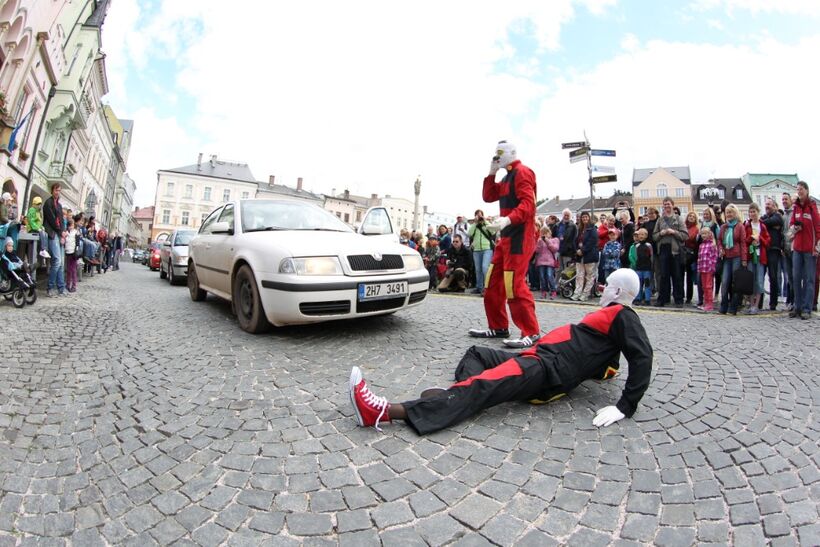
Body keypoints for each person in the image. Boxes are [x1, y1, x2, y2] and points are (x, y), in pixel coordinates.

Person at [348, 269, 653, 434]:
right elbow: (608, 365)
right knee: (476, 354)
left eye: (606, 286)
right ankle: (454, 395)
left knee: (482, 386)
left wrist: (626, 405)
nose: (602, 290)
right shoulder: (612, 322)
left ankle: (382, 412)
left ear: (617, 292)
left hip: (546, 367)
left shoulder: (624, 315)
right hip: (537, 356)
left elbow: (642, 356)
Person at [468, 141, 540, 348]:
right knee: (492, 283)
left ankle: (531, 332)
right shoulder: (508, 176)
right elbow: (489, 196)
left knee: (514, 285)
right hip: (506, 238)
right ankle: (499, 326)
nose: (496, 157)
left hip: (519, 238)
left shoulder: (523, 173)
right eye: (495, 153)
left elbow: (529, 204)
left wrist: (508, 219)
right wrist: (491, 173)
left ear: (511, 153)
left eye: (499, 153)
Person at [787, 181, 820, 319]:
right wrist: (795, 228)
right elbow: (791, 225)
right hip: (797, 249)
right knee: (796, 278)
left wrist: (817, 247)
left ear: (806, 190)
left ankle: (807, 308)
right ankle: (797, 306)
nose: (799, 191)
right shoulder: (796, 207)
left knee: (809, 279)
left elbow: (818, 229)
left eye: (801, 189)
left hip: (809, 249)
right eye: (797, 189)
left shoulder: (812, 207)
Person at [652, 198, 687, 307]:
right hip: (663, 249)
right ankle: (663, 299)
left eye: (668, 204)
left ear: (672, 205)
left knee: (676, 275)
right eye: (664, 204)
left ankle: (678, 300)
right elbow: (654, 236)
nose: (666, 206)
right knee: (663, 276)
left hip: (675, 250)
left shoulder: (678, 219)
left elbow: (685, 235)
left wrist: (674, 232)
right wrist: (661, 233)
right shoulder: (660, 220)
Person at [717, 204, 748, 315]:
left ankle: (734, 306)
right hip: (726, 257)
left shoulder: (740, 226)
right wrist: (720, 249)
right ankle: (724, 304)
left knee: (735, 282)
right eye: (727, 213)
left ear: (735, 214)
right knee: (725, 281)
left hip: (737, 256)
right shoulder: (724, 227)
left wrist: (744, 259)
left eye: (731, 212)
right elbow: (719, 240)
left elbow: (743, 243)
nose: (729, 214)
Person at [744, 203, 770, 315]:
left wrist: (760, 239)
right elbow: (744, 240)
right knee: (750, 280)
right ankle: (750, 304)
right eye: (750, 212)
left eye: (754, 211)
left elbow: (768, 240)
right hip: (750, 255)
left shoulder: (762, 226)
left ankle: (756, 305)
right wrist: (751, 239)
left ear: (758, 212)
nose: (752, 214)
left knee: (759, 280)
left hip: (760, 256)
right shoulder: (747, 225)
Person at [42, 182, 67, 296]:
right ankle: (50, 287)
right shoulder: (48, 203)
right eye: (56, 190)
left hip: (59, 234)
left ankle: (61, 288)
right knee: (56, 261)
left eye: (59, 190)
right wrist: (60, 232)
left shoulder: (59, 205)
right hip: (52, 233)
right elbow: (52, 220)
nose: (58, 192)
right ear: (52, 190)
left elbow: (61, 220)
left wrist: (63, 233)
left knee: (61, 263)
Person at [760, 198, 783, 311]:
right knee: (761, 275)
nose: (767, 206)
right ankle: (759, 301)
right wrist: (767, 224)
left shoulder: (778, 216)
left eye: (769, 204)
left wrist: (765, 224)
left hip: (773, 250)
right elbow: (760, 223)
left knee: (773, 276)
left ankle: (773, 302)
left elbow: (775, 221)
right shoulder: (764, 217)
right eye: (766, 204)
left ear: (774, 206)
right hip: (764, 250)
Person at [572, 211, 599, 302]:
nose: (584, 219)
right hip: (580, 257)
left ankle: (585, 294)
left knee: (589, 276)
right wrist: (576, 250)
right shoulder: (579, 229)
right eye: (583, 217)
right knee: (579, 275)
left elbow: (592, 242)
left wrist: (582, 250)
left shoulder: (592, 229)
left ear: (589, 218)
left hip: (589, 256)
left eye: (586, 217)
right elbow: (575, 241)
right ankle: (577, 293)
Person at [467, 209, 494, 295]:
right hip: (477, 249)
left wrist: (485, 221)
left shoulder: (486, 224)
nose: (479, 217)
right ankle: (479, 287)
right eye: (477, 215)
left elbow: (493, 231)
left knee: (485, 267)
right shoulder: (474, 225)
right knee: (478, 269)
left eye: (480, 215)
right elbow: (469, 234)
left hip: (487, 249)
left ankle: (488, 288)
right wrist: (475, 223)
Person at [629, 228, 653, 305]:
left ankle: (647, 299)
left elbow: (651, 256)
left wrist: (651, 265)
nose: (641, 236)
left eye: (642, 234)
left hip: (647, 268)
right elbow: (636, 256)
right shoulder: (637, 246)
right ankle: (638, 298)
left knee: (647, 284)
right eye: (639, 234)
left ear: (646, 236)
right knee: (638, 283)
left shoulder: (648, 245)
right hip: (638, 268)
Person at [534, 225, 559, 299]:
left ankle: (553, 291)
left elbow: (555, 249)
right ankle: (543, 292)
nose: (544, 235)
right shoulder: (540, 241)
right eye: (543, 233)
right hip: (541, 261)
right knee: (542, 277)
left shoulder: (555, 240)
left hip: (550, 261)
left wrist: (547, 241)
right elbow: (537, 251)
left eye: (546, 232)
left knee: (549, 276)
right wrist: (539, 243)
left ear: (549, 233)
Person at [781, 192, 795, 310]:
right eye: (783, 199)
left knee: (795, 276)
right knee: (789, 277)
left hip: (794, 249)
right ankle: (791, 301)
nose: (784, 201)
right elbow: (782, 233)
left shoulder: (794, 214)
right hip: (786, 251)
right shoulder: (784, 216)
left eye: (786, 199)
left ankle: (795, 301)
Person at [683, 212, 700, 305]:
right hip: (682, 252)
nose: (691, 217)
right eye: (690, 216)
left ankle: (689, 297)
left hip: (691, 254)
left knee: (690, 277)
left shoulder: (696, 229)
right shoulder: (684, 227)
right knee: (680, 275)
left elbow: (696, 242)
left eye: (693, 216)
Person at [556, 208, 577, 274]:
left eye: (568, 215)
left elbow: (575, 239)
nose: (566, 217)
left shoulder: (573, 226)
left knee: (567, 269)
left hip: (568, 251)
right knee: (559, 269)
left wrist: (573, 251)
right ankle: (558, 284)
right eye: (565, 215)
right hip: (559, 250)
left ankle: (567, 284)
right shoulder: (558, 225)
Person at [64, 218, 80, 293]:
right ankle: (67, 284)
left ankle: (74, 285)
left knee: (73, 270)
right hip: (67, 252)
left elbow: (77, 244)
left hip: (73, 253)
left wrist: (76, 251)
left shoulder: (76, 233)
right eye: (69, 225)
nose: (71, 227)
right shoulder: (66, 232)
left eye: (72, 225)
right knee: (68, 270)